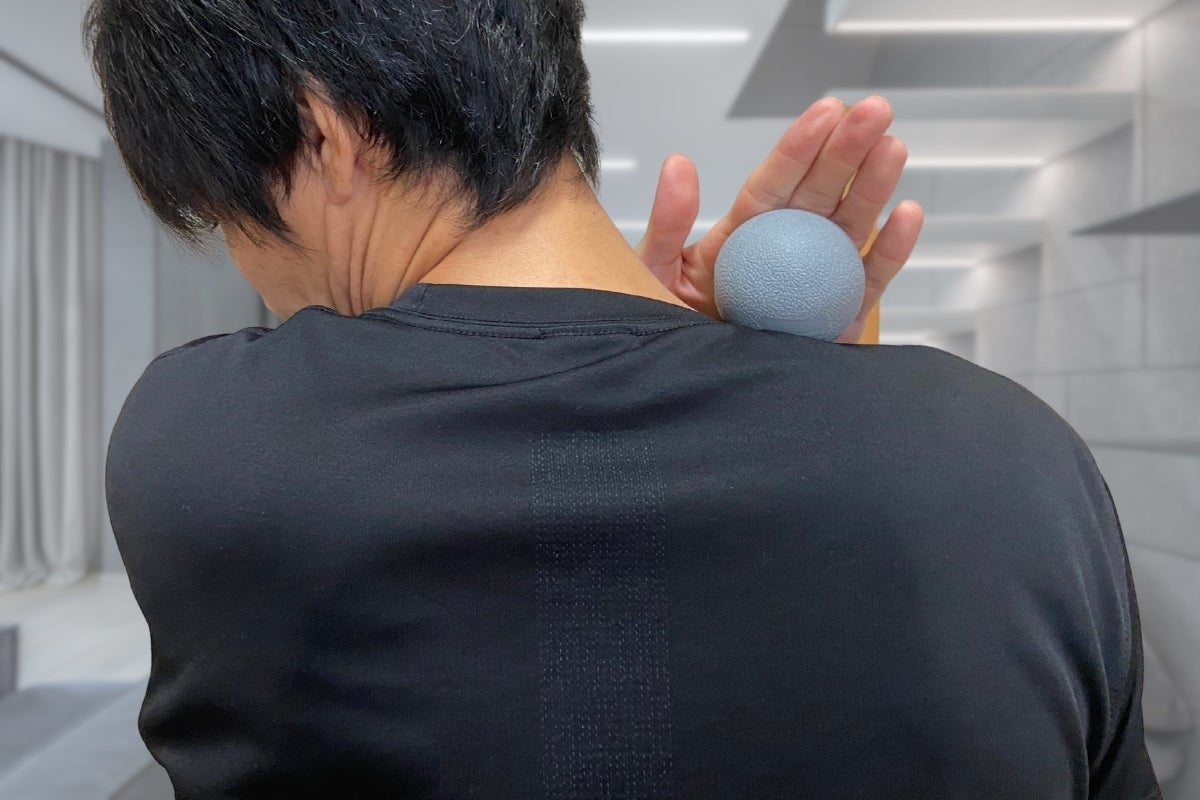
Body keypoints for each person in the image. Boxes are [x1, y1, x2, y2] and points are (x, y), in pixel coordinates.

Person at [89, 1, 1161, 799]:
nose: (248, 266)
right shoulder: (1009, 453)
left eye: (223, 216)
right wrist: (826, 400)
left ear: (325, 132)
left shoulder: (201, 440)